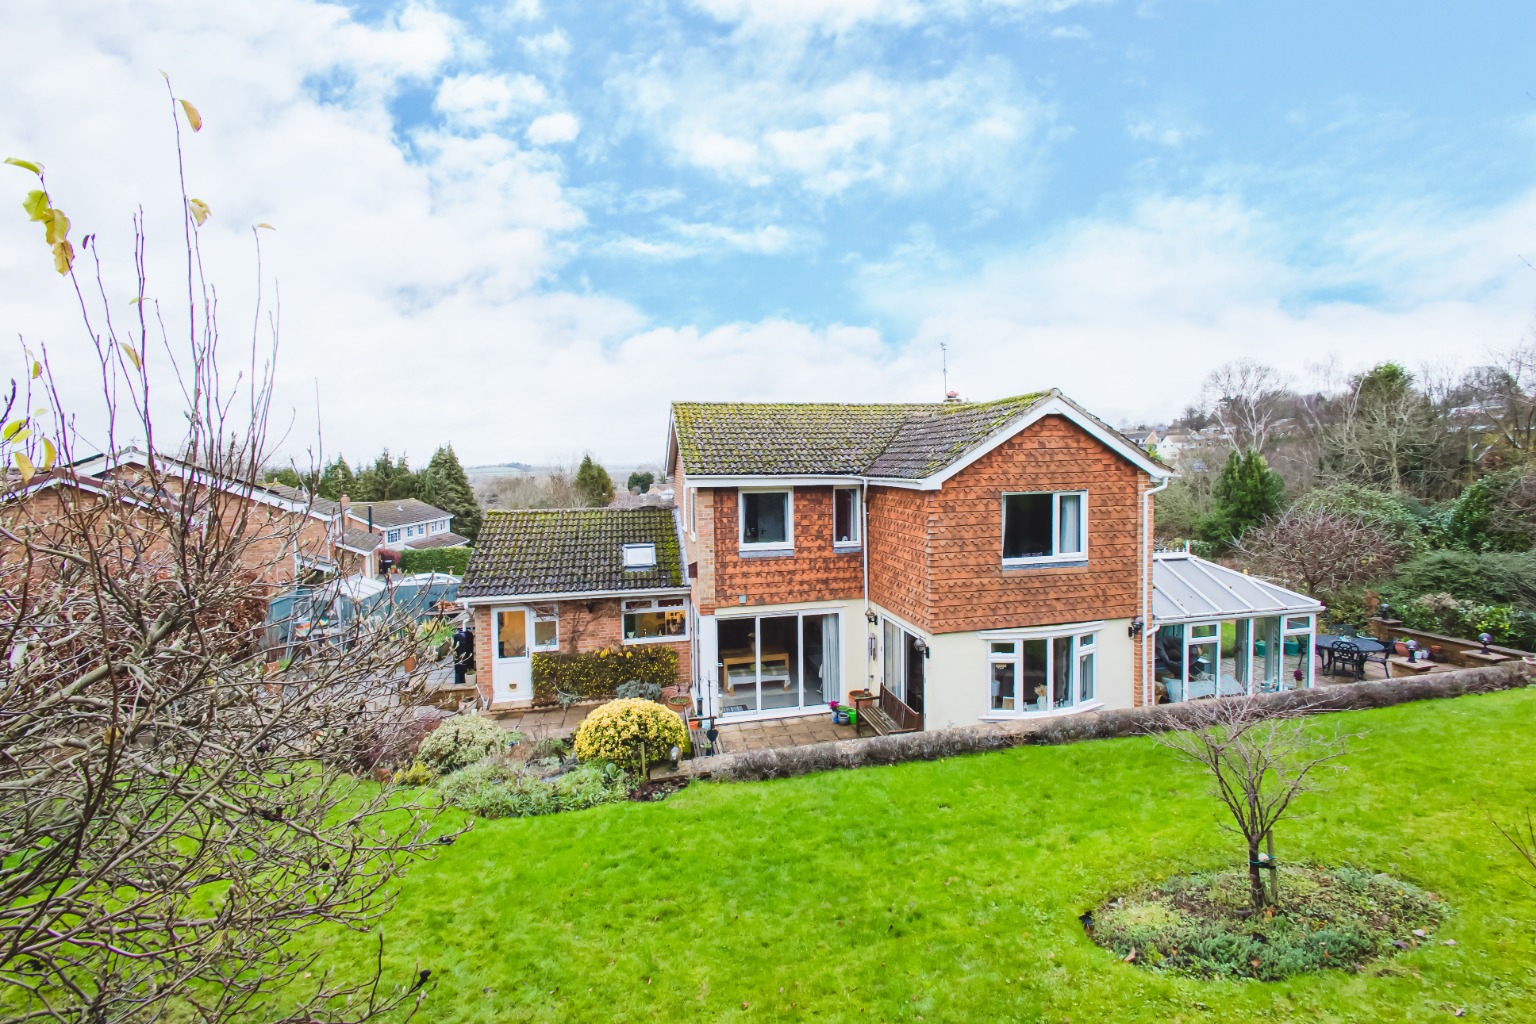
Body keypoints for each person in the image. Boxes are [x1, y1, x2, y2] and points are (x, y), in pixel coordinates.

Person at [452, 623, 475, 687]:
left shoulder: (468, 635)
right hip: (460, 663)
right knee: (460, 671)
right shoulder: (465, 635)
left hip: (466, 662)